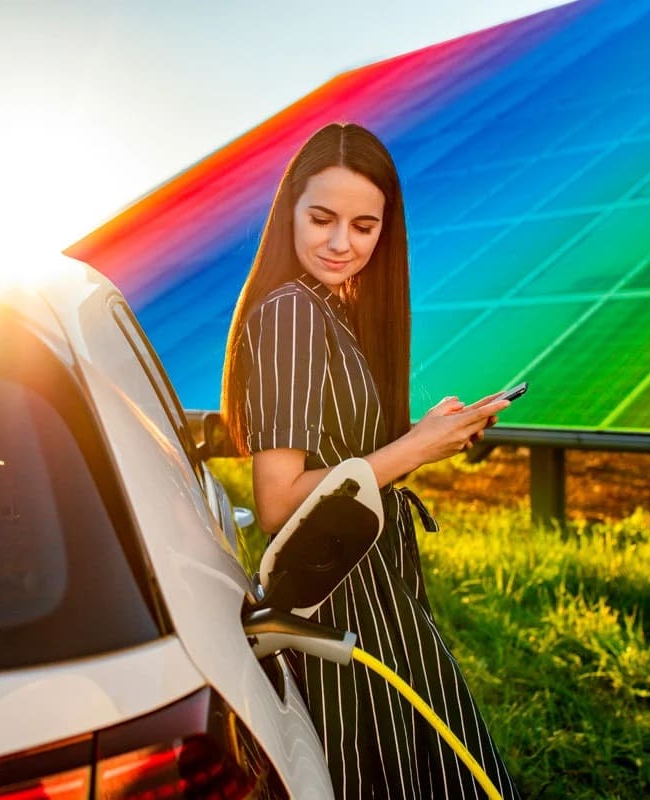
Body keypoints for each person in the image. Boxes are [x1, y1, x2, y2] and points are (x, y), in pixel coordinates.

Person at [221, 122, 520, 799]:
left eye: (363, 226)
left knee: (415, 764)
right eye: (322, 218)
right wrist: (413, 449)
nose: (340, 243)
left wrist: (427, 434)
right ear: (288, 211)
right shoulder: (291, 313)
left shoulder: (332, 310)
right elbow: (277, 498)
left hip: (370, 578)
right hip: (341, 594)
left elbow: (347, 458)